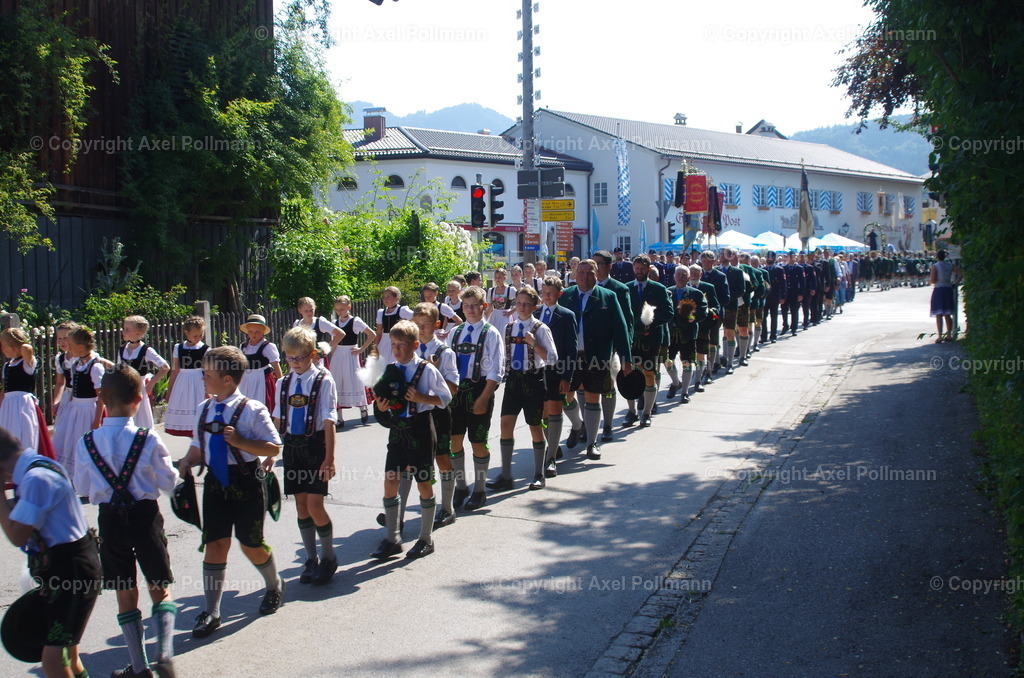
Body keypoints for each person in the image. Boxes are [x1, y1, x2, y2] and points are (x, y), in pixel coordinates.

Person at [74, 364, 178, 678]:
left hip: (110, 522)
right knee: (159, 585)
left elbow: (81, 487)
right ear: (138, 399)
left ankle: (139, 665)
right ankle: (165, 653)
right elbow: (169, 482)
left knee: (124, 589)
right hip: (145, 516)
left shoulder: (86, 442)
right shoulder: (148, 438)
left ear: (102, 399)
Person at [177, 346, 284, 638]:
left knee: (250, 543)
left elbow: (273, 447)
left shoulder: (252, 409)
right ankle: (212, 610)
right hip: (215, 484)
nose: (203, 377)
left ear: (227, 379)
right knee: (215, 544)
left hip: (246, 481)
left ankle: (274, 584)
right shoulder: (203, 408)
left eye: (208, 374)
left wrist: (239, 441)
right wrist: (187, 461)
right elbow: (198, 447)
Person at [0, 427, 101, 678]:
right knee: (68, 655)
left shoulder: (36, 480)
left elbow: (16, 535)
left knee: (54, 660)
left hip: (72, 572)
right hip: (69, 568)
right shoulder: (39, 465)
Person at [371, 320, 452, 559]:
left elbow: (445, 398)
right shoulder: (390, 369)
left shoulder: (426, 369)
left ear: (415, 345)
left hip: (420, 429)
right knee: (390, 480)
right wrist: (381, 406)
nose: (396, 350)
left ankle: (426, 538)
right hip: (397, 430)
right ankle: (392, 537)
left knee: (423, 482)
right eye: (393, 344)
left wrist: (421, 397)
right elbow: (382, 400)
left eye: (401, 345)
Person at [272, 327, 339, 584]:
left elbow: (329, 420)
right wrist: (267, 449)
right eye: (289, 357)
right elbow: (278, 418)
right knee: (301, 505)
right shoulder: (283, 383)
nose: (294, 362)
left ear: (312, 354)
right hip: (292, 448)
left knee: (315, 504)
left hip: (316, 446)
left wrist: (329, 458)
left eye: (299, 357)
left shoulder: (324, 380)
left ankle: (329, 556)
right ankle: (310, 559)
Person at [560, 260, 633, 460]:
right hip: (570, 358)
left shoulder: (608, 297)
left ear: (596, 274)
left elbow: (621, 328)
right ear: (575, 275)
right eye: (581, 272)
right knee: (564, 396)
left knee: (593, 397)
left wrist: (626, 358)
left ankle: (592, 443)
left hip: (598, 356)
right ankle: (577, 425)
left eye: (589, 272)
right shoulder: (566, 296)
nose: (585, 276)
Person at [488, 286, 557, 491]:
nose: (522, 307)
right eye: (519, 303)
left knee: (535, 426)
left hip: (534, 380)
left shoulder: (541, 328)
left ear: (535, 306)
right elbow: (502, 356)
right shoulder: (509, 327)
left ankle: (539, 473)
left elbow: (552, 358)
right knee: (505, 425)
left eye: (527, 304)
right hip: (513, 381)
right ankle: (506, 475)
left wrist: (535, 344)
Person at [445, 286, 504, 510]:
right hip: (456, 393)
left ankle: (479, 490)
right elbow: (447, 365)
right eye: (466, 305)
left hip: (480, 391)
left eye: (474, 305)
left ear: (484, 306)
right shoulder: (455, 332)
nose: (470, 309)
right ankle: (461, 486)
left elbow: (496, 370)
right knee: (454, 440)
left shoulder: (491, 333)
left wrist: (483, 398)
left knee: (478, 441)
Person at [52, 326, 109, 480]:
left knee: (86, 444)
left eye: (70, 345)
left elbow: (101, 397)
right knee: (69, 441)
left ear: (80, 347)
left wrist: (97, 421)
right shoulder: (77, 363)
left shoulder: (95, 366)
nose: (67, 348)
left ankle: (89, 479)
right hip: (75, 409)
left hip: (88, 410)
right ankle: (74, 477)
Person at [535, 276, 577, 478]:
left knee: (554, 410)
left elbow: (571, 348)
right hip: (537, 372)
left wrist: (566, 376)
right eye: (544, 292)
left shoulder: (566, 315)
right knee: (542, 413)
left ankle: (550, 457)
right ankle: (553, 445)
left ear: (559, 294)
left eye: (550, 293)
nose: (547, 296)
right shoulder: (534, 314)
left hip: (557, 371)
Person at [591, 250, 634, 441]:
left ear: (609, 266)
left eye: (599, 264)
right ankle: (586, 426)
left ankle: (607, 425)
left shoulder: (619, 289)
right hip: (588, 348)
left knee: (607, 387)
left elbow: (627, 323)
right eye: (593, 263)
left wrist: (624, 352)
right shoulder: (583, 287)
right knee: (587, 389)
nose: (595, 267)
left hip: (610, 349)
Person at [626, 254, 673, 427]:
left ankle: (646, 412)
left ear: (648, 269)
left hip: (651, 338)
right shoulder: (627, 288)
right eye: (637, 268)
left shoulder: (659, 289)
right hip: (631, 339)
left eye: (642, 269)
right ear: (633, 269)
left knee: (648, 373)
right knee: (629, 373)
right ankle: (631, 412)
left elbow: (668, 313)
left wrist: (649, 322)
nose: (639, 272)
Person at [0, 328, 53, 456]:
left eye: (3, 345)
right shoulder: (7, 366)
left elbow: (27, 348)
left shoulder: (27, 363)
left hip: (22, 405)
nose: (1, 349)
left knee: (24, 434)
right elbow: (3, 390)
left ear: (12, 347)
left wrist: (17, 340)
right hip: (8, 406)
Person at [118, 316, 171, 430]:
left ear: (138, 333)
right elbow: (118, 369)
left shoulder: (146, 350)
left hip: (139, 388)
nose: (123, 331)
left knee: (141, 418)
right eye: (124, 328)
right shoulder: (122, 350)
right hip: (124, 389)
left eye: (127, 329)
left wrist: (151, 383)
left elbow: (165, 367)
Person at [330, 296, 375, 427]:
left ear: (348, 308)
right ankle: (339, 417)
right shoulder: (334, 322)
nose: (340, 312)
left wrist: (361, 349)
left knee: (354, 381)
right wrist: (331, 357)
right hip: (338, 354)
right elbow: (334, 342)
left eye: (342, 309)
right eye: (337, 309)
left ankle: (362, 406)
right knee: (337, 382)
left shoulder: (355, 321)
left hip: (350, 354)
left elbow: (371, 334)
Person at [666, 266, 708, 403]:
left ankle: (684, 392)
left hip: (688, 333)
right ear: (674, 276)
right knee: (667, 360)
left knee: (687, 362)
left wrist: (692, 318)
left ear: (689, 277)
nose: (681, 277)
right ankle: (675, 382)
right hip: (671, 333)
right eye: (678, 274)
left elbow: (703, 310)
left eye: (684, 275)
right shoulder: (668, 292)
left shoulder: (696, 293)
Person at [164, 316, 210, 438]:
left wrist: (208, 390)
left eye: (201, 335)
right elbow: (175, 370)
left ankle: (199, 446)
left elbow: (207, 371)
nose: (199, 338)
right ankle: (194, 445)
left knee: (199, 413)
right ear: (187, 333)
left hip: (198, 382)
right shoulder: (178, 348)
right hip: (182, 383)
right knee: (186, 412)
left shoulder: (205, 349)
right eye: (195, 335)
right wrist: (170, 390)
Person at [238, 313, 283, 411]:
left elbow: (276, 366)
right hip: (246, 380)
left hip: (261, 380)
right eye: (251, 331)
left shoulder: (267, 346)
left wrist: (281, 385)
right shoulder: (243, 346)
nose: (254, 334)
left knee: (260, 404)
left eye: (257, 331)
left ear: (263, 331)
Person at [699, 251, 730, 381]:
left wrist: (712, 307)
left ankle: (709, 370)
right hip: (699, 315)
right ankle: (701, 369)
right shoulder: (696, 274)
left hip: (714, 314)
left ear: (713, 261)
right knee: (700, 344)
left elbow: (725, 297)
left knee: (713, 341)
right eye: (703, 261)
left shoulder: (720, 276)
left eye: (708, 261)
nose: (706, 263)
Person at [690, 264, 720, 392]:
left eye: (697, 272)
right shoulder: (684, 289)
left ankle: (704, 375)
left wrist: (709, 313)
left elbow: (716, 307)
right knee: (690, 354)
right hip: (688, 327)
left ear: (701, 274)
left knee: (702, 352)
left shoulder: (708, 287)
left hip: (704, 326)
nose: (694, 275)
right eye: (692, 272)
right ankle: (695, 374)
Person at [294, 297, 345, 365]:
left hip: (316, 360)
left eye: (311, 310)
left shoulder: (320, 322)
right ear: (300, 310)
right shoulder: (297, 324)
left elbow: (341, 333)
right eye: (306, 310)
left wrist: (324, 349)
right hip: (300, 359)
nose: (309, 313)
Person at [50, 320, 78, 425]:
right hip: (68, 396)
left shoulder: (83, 357)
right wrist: (56, 402)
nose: (62, 342)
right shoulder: (60, 358)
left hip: (83, 397)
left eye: (65, 338)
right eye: (59, 338)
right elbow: (60, 383)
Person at [930, 250, 956, 342]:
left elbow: (933, 280)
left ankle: (940, 336)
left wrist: (930, 281)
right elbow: (960, 273)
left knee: (939, 314)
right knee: (947, 314)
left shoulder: (935, 266)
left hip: (939, 289)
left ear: (937, 256)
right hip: (948, 288)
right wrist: (955, 283)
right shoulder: (950, 265)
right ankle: (949, 334)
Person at [486, 267, 516, 337]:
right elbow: (490, 307)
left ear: (504, 278)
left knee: (504, 335)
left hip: (505, 315)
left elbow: (520, 301)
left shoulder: (510, 290)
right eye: (496, 277)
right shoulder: (491, 290)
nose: (497, 279)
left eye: (499, 277)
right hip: (495, 316)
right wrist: (485, 318)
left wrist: (511, 312)